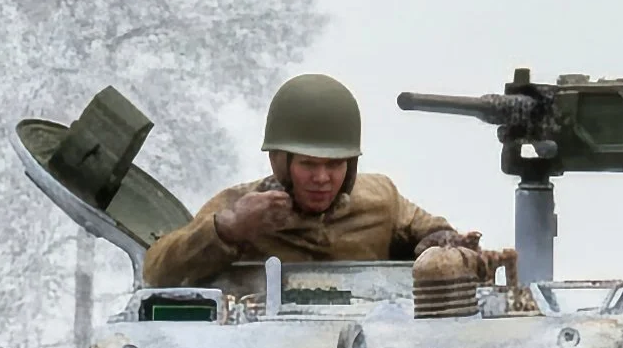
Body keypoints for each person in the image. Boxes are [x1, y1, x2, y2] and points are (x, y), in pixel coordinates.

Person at [142, 74, 477, 289]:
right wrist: (229, 229)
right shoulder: (239, 207)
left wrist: (441, 243)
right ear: (280, 161)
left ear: (352, 164)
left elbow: (432, 231)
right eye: (308, 164)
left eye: (334, 164)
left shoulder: (381, 199)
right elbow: (157, 272)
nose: (321, 178)